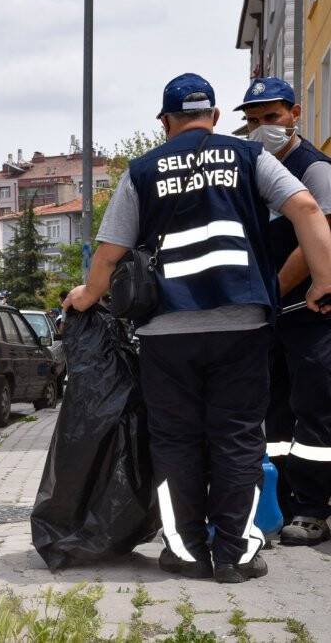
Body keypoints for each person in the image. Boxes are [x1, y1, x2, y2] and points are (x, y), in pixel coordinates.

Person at [63, 73, 331, 583]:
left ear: (165, 122)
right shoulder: (250, 157)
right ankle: (235, 555)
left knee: (176, 440)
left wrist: (87, 296)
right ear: (212, 116)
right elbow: (307, 208)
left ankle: (186, 552)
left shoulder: (142, 170)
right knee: (237, 437)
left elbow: (111, 250)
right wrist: (323, 279)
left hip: (166, 331)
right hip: (242, 323)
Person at [237, 76, 331, 546]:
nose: (262, 128)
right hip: (273, 312)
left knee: (314, 409)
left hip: (310, 311)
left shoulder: (314, 169)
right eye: (253, 121)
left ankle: (316, 510)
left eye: (271, 118)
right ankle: (285, 502)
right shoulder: (256, 170)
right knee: (274, 415)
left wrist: (270, 289)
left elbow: (318, 235)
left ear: (294, 114)